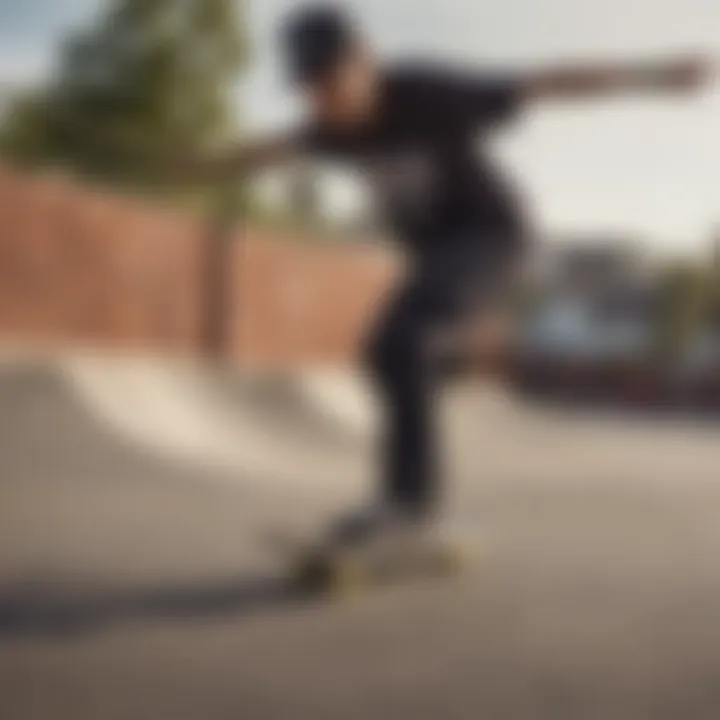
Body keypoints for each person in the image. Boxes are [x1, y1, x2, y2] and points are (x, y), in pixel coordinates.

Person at [180, 4, 711, 545]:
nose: (326, 99)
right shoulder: (328, 131)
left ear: (364, 62)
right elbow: (272, 150)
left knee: (401, 339)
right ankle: (408, 493)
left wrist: (656, 76)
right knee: (385, 351)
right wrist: (203, 167)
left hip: (492, 237)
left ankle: (411, 506)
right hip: (435, 255)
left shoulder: (428, 93)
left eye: (332, 79)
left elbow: (545, 83)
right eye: (311, 88)